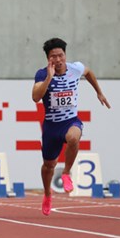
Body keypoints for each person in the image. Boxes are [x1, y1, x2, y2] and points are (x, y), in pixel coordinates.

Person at [32, 38, 110, 216]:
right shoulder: (42, 74)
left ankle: (66, 173)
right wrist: (49, 78)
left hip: (70, 120)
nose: (58, 60)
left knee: (74, 137)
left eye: (61, 55)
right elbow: (35, 97)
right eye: (54, 57)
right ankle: (47, 194)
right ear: (48, 59)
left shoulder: (75, 68)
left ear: (65, 55)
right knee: (48, 166)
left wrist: (99, 92)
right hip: (51, 126)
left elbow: (88, 73)